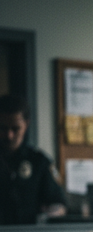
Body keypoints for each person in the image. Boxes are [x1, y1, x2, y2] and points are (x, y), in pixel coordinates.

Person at [0, 93, 67, 224]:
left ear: (26, 124)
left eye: (15, 129)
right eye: (3, 128)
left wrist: (51, 213)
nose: (9, 135)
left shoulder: (39, 161)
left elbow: (58, 203)